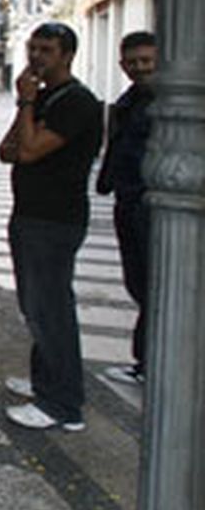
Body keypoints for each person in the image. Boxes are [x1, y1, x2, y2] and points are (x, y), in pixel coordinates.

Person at [0, 21, 104, 431]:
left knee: (50, 309)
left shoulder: (76, 103)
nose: (36, 57)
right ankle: (46, 380)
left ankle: (62, 403)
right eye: (33, 48)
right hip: (30, 214)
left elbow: (29, 151)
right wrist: (27, 107)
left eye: (46, 50)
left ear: (67, 55)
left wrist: (26, 105)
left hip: (53, 219)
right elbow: (7, 151)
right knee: (35, 305)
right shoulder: (43, 98)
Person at [96, 30, 157, 385]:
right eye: (133, 62)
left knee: (154, 285)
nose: (140, 68)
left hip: (150, 204)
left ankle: (150, 361)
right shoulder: (127, 101)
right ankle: (145, 360)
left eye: (146, 61)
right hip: (126, 200)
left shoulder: (170, 104)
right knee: (138, 282)